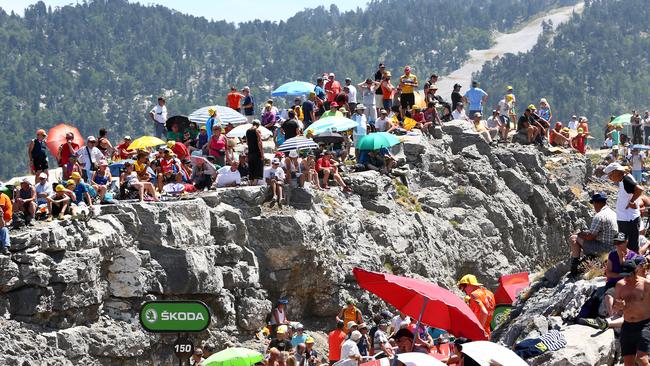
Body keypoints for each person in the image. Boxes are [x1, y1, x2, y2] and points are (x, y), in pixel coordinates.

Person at [569, 192, 619, 276]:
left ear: (596, 203)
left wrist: (580, 234)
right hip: (615, 247)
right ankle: (588, 259)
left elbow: (590, 237)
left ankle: (575, 265)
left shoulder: (599, 216)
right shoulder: (614, 213)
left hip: (604, 248)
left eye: (593, 203)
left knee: (573, 238)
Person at [614, 257, 650, 366]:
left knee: (641, 358)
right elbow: (615, 307)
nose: (626, 279)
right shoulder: (620, 285)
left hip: (644, 325)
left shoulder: (646, 284)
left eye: (628, 275)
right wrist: (619, 306)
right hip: (627, 327)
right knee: (628, 363)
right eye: (624, 276)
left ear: (635, 272)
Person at [604, 162, 644, 252]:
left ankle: (633, 264)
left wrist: (632, 201)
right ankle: (625, 262)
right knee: (621, 243)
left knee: (631, 246)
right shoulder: (624, 179)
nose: (610, 178)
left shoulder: (626, 179)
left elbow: (639, 189)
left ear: (616, 172)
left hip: (629, 220)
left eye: (610, 175)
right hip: (624, 219)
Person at [246, 121, 264, 185]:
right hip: (257, 152)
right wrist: (262, 154)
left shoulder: (247, 131)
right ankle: (255, 182)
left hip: (250, 152)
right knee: (258, 166)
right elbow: (260, 143)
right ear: (258, 125)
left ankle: (251, 182)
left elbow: (247, 143)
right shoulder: (257, 131)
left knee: (251, 167)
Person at [0, 189, 10, 255]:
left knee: (4, 229)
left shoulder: (2, 197)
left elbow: (2, 225)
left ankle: (5, 248)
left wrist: (0, 216)